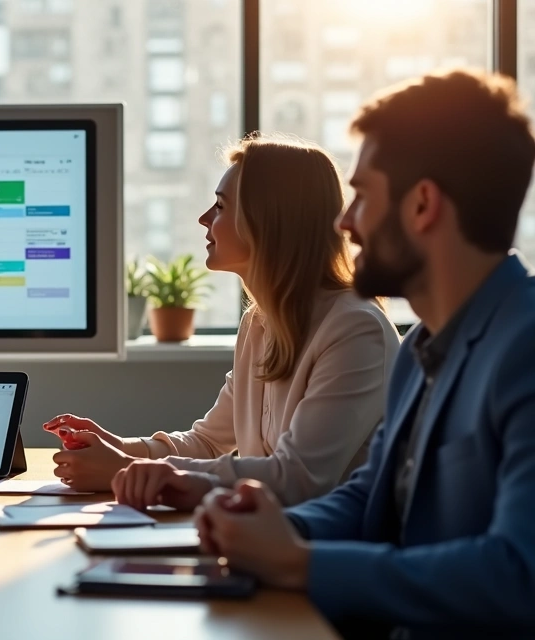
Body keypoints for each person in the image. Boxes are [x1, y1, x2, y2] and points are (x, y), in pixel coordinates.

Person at [196, 69, 535, 637]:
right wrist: (269, 528)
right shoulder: (422, 348)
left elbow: (520, 575)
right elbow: (370, 496)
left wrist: (300, 562)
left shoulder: (524, 347)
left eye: (363, 196)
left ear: (422, 205)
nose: (344, 222)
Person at [48, 134, 400, 506]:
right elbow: (207, 442)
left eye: (220, 205)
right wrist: (121, 448)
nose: (204, 219)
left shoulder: (355, 330)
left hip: (323, 540)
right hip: (266, 531)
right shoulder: (259, 323)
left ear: (267, 221)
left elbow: (298, 478)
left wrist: (126, 469)